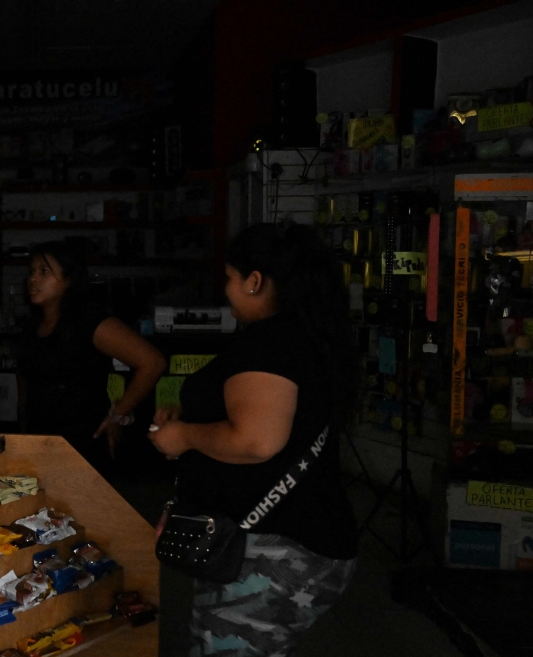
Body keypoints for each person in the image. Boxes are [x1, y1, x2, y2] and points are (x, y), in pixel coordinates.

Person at [149, 223, 359, 656]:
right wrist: (191, 417)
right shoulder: (301, 337)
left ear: (255, 281)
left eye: (229, 277)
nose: (225, 289)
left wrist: (184, 436)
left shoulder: (272, 341)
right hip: (279, 542)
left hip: (274, 552)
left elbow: (256, 440)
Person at [18, 241, 166, 473]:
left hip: (82, 442)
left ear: (68, 280)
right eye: (32, 272)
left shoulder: (88, 320)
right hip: (40, 442)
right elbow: (27, 380)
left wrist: (118, 415)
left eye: (44, 272)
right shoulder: (32, 325)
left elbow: (152, 362)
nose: (34, 279)